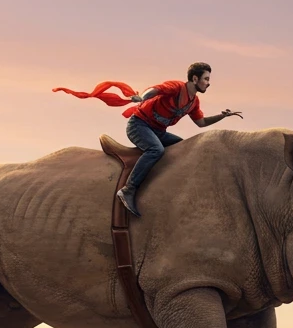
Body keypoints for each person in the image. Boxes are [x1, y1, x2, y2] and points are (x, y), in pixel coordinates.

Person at [53, 62, 243, 216]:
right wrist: (142, 97)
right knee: (156, 150)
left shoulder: (194, 102)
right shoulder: (176, 87)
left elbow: (200, 122)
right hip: (140, 126)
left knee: (185, 146)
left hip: (158, 131)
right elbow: (155, 89)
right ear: (195, 78)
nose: (208, 83)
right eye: (206, 79)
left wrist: (222, 116)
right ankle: (128, 189)